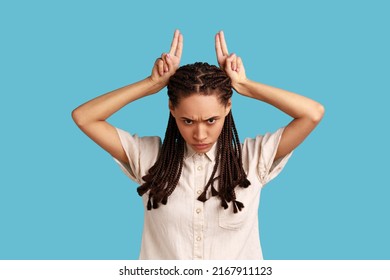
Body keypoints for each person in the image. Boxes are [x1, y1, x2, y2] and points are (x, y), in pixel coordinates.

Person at [72, 30, 324, 260]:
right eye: (188, 121)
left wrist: (245, 85)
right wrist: (151, 84)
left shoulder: (252, 159)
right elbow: (84, 117)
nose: (200, 134)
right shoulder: (149, 158)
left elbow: (312, 113)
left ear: (228, 107)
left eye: (211, 120)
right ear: (171, 110)